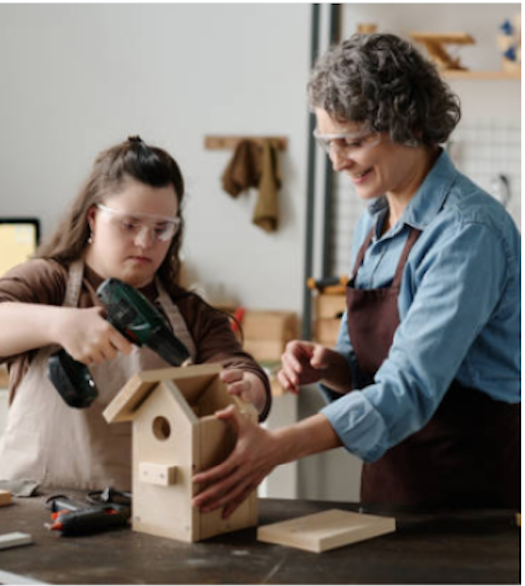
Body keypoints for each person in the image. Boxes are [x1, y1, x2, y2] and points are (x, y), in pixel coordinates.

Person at [193, 33, 520, 517]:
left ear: (409, 123)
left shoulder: (467, 233)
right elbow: (366, 366)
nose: (337, 160)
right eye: (328, 141)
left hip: (467, 494)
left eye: (354, 141)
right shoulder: (374, 219)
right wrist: (333, 367)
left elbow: (408, 387)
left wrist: (277, 446)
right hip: (392, 486)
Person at [0, 136, 271, 491]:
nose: (145, 243)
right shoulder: (49, 281)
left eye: (161, 228)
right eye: (129, 224)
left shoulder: (190, 312)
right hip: (29, 502)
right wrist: (58, 323)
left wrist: (249, 388)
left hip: (145, 510)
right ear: (93, 217)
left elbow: (240, 369)